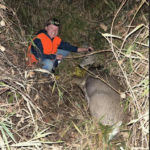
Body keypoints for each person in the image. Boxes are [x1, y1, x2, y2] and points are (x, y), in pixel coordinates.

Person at [27, 18, 93, 74]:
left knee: (66, 51)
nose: (54, 31)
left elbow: (68, 47)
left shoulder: (56, 39)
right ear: (46, 28)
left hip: (49, 56)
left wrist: (85, 49)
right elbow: (39, 56)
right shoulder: (39, 39)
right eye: (51, 28)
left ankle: (53, 66)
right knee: (48, 63)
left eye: (56, 29)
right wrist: (55, 56)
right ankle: (46, 76)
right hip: (36, 63)